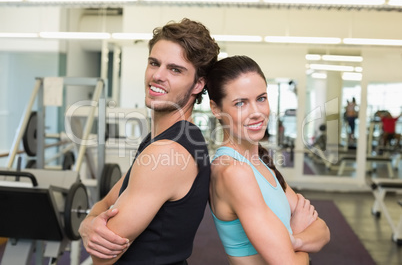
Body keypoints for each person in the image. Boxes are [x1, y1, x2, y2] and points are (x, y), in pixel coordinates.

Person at [78, 18, 220, 265]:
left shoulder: (166, 153)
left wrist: (88, 224)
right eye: (154, 63)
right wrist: (89, 223)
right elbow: (107, 201)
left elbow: (101, 257)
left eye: (175, 69)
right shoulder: (169, 139)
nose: (157, 75)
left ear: (198, 84)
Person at [206, 55, 330, 264]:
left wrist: (293, 241)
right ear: (216, 109)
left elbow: (323, 230)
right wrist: (297, 231)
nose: (257, 113)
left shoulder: (260, 163)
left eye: (261, 98)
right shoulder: (234, 172)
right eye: (240, 103)